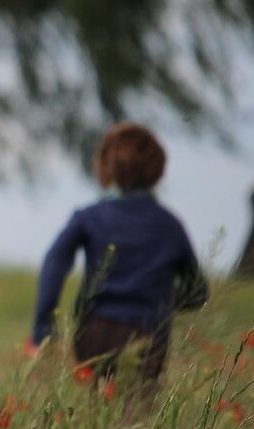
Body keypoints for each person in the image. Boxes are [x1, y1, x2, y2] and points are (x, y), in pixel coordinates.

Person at [31, 122, 209, 384]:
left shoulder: (89, 218)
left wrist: (43, 329)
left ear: (105, 167)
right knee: (137, 416)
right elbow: (197, 291)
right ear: (157, 170)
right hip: (148, 333)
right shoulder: (170, 225)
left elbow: (54, 264)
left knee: (99, 409)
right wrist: (159, 302)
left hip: (95, 331)